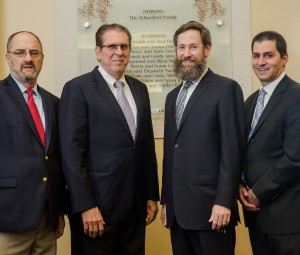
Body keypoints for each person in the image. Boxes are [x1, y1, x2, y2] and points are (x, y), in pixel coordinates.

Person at [59, 23, 159, 255]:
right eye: (112, 46)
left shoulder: (140, 89)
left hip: (135, 209)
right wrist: (85, 206)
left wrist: (151, 194)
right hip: (97, 211)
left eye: (124, 46)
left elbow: (146, 148)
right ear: (98, 51)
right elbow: (72, 154)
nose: (119, 52)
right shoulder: (78, 88)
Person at [160, 21, 246, 255]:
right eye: (181, 47)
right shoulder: (172, 97)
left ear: (207, 49)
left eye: (193, 47)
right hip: (178, 213)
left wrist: (224, 201)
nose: (186, 54)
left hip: (212, 210)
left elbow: (233, 150)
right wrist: (166, 200)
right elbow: (171, 152)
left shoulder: (226, 89)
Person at [0, 31, 66, 255]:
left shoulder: (55, 103)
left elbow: (56, 159)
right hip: (8, 218)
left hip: (47, 219)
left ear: (42, 58)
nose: (28, 58)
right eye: (20, 52)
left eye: (34, 53)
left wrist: (59, 210)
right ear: (8, 57)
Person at [239, 31, 300, 254]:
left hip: (287, 220)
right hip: (257, 218)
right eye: (256, 56)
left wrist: (258, 192)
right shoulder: (250, 102)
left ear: (284, 58)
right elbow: (244, 152)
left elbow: (295, 158)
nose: (261, 62)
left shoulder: (296, 97)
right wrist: (240, 185)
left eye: (268, 55)